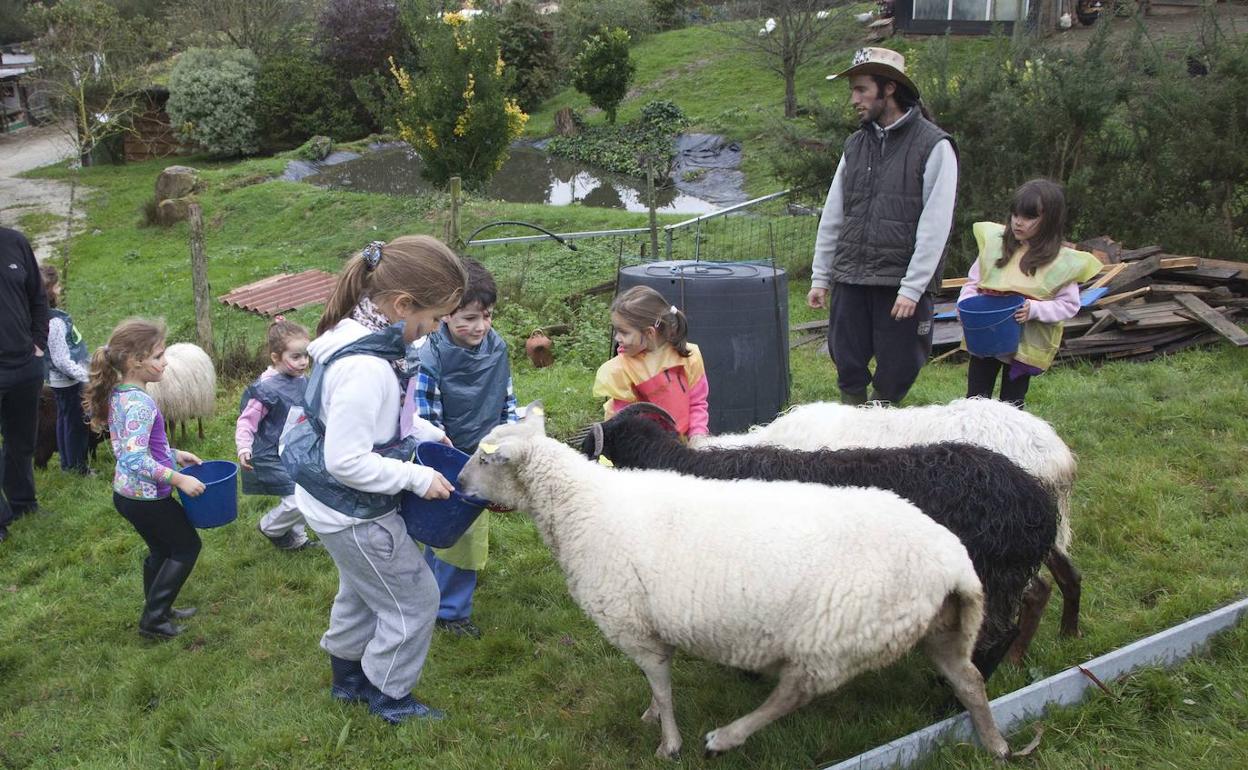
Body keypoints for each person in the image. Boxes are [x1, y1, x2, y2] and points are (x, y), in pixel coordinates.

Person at [281, 237, 466, 724]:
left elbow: (382, 419)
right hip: (355, 509)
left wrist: (427, 431)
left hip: (330, 505)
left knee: (361, 592)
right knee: (415, 599)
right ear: (402, 306)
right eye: (429, 321)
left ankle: (346, 680)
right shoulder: (367, 367)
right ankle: (390, 694)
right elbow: (346, 460)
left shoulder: (358, 334)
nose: (430, 333)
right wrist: (414, 477)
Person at [806, 47, 959, 406]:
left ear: (888, 88)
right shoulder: (856, 145)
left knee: (897, 369)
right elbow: (834, 214)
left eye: (861, 89)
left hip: (898, 282)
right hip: (851, 276)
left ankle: (882, 433)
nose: (854, 99)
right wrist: (820, 276)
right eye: (852, 91)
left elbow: (936, 224)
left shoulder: (934, 146)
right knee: (847, 364)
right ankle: (853, 433)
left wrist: (913, 287)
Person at [404, 258, 517, 640]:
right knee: (449, 531)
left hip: (484, 454)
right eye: (468, 318)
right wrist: (441, 456)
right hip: (447, 459)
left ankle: (442, 600)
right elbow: (424, 417)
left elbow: (506, 399)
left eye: (485, 316)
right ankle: (449, 612)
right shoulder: (428, 356)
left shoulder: (496, 347)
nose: (480, 326)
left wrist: (509, 437)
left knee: (462, 536)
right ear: (446, 315)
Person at [83, 318, 206, 640]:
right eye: (158, 356)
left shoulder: (122, 394)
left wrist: (173, 452)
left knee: (161, 551)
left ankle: (159, 608)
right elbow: (134, 457)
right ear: (136, 362)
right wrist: (177, 478)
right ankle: (153, 621)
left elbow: (129, 444)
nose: (165, 362)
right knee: (186, 547)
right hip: (147, 498)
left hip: (128, 494)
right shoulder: (139, 403)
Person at [958, 179, 1101, 407]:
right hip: (986, 337)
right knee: (975, 399)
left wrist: (1035, 309)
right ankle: (970, 440)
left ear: (1050, 220)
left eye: (1028, 217)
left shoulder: (1060, 262)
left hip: (1022, 349)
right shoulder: (995, 247)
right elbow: (973, 282)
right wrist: (965, 304)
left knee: (1012, 404)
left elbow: (1069, 305)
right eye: (1015, 214)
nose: (1018, 222)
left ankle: (1010, 442)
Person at [236, 316, 318, 551]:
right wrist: (244, 447)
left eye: (306, 355)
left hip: (294, 448)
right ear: (275, 357)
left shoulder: (301, 379)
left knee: (309, 490)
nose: (303, 362)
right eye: (296, 357)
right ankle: (270, 527)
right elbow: (246, 422)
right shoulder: (266, 389)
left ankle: (297, 539)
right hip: (268, 453)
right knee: (297, 499)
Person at [592, 285, 709, 441]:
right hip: (642, 449)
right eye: (616, 331)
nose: (617, 338)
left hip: (681, 447)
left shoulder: (688, 357)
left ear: (649, 332)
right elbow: (623, 422)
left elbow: (696, 404)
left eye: (624, 332)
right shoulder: (621, 369)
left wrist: (698, 436)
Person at [0, 226, 49, 544]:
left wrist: (38, 344)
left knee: (21, 442)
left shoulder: (14, 242)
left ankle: (23, 504)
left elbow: (38, 297)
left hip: (23, 365)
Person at [40, 264, 93, 476]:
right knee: (76, 425)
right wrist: (87, 376)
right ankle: (78, 467)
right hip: (68, 381)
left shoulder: (44, 316)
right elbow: (62, 360)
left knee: (64, 419)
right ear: (50, 290)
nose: (61, 288)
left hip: (58, 381)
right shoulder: (55, 323)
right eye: (57, 285)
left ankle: (67, 464)